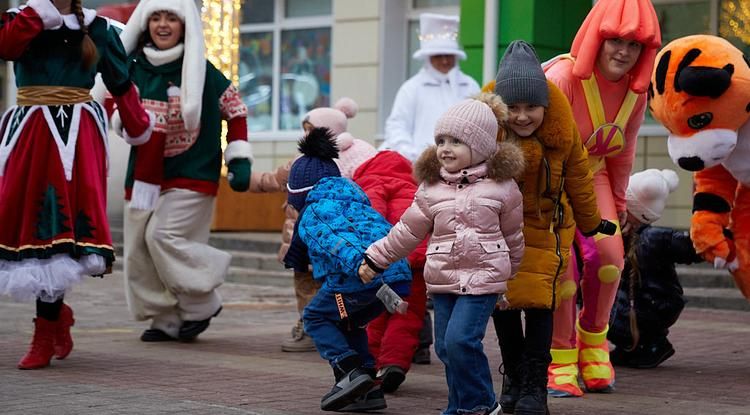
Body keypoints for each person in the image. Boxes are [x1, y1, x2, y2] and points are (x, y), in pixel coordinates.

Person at [0, 0, 153, 369]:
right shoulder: (22, 19)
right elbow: (6, 48)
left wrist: (137, 126)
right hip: (30, 135)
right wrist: (38, 14)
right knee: (30, 226)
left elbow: (120, 81)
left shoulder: (97, 29)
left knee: (59, 231)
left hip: (74, 139)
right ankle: (56, 318)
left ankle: (44, 331)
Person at [362, 93, 526, 415]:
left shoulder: (502, 188)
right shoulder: (431, 189)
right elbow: (406, 231)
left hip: (483, 279)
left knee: (462, 341)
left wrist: (511, 277)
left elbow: (513, 237)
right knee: (447, 349)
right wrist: (375, 258)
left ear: (479, 147)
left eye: (456, 141)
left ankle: (481, 405)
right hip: (443, 278)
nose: (445, 148)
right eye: (441, 140)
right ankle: (458, 406)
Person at [543, 0, 661, 396]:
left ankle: (594, 341)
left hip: (593, 179)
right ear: (598, 38)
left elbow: (623, 152)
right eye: (615, 40)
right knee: (564, 273)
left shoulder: (635, 92)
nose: (624, 52)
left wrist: (620, 202)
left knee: (610, 258)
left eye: (635, 45)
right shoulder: (561, 77)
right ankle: (559, 358)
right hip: (553, 184)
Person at [116, 0, 252, 342]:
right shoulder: (131, 67)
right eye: (156, 18)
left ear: (184, 25)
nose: (163, 25)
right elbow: (110, 107)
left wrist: (238, 159)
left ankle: (202, 302)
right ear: (145, 25)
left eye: (171, 18)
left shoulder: (203, 70)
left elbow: (235, 110)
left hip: (193, 170)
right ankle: (166, 319)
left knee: (161, 236)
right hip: (145, 175)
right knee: (137, 250)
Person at [487, 40, 610, 415]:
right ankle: (514, 378)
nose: (523, 117)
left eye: (531, 108)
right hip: (498, 234)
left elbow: (579, 180)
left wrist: (591, 224)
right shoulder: (486, 131)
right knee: (504, 306)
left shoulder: (562, 131)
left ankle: (535, 387)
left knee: (541, 307)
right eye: (514, 108)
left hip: (547, 232)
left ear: (544, 105)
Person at [283, 127, 412, 412]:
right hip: (395, 277)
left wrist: (360, 263)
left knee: (315, 316)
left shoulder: (315, 211)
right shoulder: (356, 201)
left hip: (361, 277)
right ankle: (369, 392)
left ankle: (351, 370)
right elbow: (381, 231)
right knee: (348, 321)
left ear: (299, 193)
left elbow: (334, 238)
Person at [608, 169, 702, 369]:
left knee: (610, 315)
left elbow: (692, 248)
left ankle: (653, 344)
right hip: (645, 303)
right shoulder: (619, 235)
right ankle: (630, 347)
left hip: (655, 304)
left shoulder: (655, 238)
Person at [351, 149, 428, 393]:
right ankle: (394, 363)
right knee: (408, 315)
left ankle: (369, 367)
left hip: (379, 263)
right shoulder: (415, 188)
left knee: (374, 315)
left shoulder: (366, 186)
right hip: (413, 263)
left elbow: (368, 220)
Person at [381, 12, 480, 163]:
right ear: (428, 58)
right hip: (421, 167)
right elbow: (397, 127)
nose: (445, 61)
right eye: (439, 56)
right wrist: (414, 156)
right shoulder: (412, 88)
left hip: (464, 166)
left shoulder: (469, 85)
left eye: (449, 55)